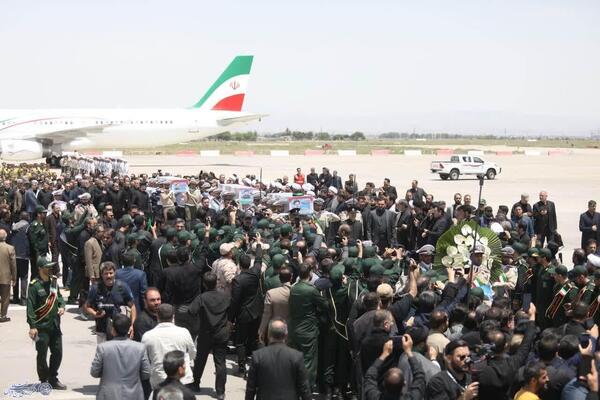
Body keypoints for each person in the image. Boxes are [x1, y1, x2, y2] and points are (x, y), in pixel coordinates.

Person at [26, 257, 67, 389]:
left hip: (55, 325)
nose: (50, 269)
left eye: (50, 267)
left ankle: (53, 377)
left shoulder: (53, 282)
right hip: (41, 327)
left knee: (58, 352)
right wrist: (32, 326)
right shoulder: (34, 286)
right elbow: (30, 307)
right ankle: (44, 379)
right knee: (42, 354)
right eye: (47, 267)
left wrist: (62, 306)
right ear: (40, 268)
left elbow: (59, 297)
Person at [245, 319, 311, 400]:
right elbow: (304, 388)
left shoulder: (258, 356)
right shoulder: (296, 356)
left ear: (268, 335)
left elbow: (251, 388)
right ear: (286, 335)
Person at [188, 271, 230, 397]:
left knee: (200, 360)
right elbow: (231, 309)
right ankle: (220, 392)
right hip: (221, 332)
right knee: (220, 362)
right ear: (216, 282)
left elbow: (191, 311)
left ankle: (195, 384)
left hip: (205, 333)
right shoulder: (225, 296)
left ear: (204, 284)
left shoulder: (201, 298)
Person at [90, 314, 150, 400]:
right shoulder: (140, 348)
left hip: (108, 395)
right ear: (129, 329)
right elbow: (146, 373)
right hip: (134, 395)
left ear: (113, 330)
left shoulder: (103, 348)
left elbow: (94, 372)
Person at [288, 263, 329, 389]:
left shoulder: (293, 288)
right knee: (308, 360)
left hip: (294, 328)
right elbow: (325, 305)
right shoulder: (312, 290)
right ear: (310, 273)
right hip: (308, 330)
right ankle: (306, 388)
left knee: (295, 358)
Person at [229, 235, 264, 375]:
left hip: (244, 314)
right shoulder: (255, 272)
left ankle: (242, 367)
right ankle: (256, 365)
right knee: (254, 339)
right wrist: (259, 243)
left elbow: (235, 301)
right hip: (257, 312)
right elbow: (259, 258)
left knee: (241, 341)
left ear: (239, 265)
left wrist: (230, 319)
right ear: (249, 264)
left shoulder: (238, 280)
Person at [142, 304, 196, 390]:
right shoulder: (184, 332)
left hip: (158, 378)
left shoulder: (147, 336)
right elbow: (192, 353)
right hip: (182, 378)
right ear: (173, 316)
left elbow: (145, 359)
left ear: (157, 316)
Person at [84, 262, 137, 343]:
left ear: (115, 273)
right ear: (101, 275)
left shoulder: (122, 287)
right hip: (101, 330)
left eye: (111, 273)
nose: (108, 276)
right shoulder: (95, 288)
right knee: (103, 350)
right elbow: (87, 306)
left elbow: (132, 306)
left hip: (119, 331)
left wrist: (132, 325)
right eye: (106, 274)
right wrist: (95, 314)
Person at [364, 335, 426, 400]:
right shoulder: (413, 397)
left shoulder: (374, 397)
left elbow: (369, 376)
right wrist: (408, 351)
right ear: (404, 383)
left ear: (383, 383)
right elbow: (420, 376)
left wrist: (384, 354)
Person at [258, 266, 292, 343]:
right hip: (290, 330)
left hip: (274, 330)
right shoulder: (295, 293)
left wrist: (261, 330)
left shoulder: (271, 293)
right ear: (291, 278)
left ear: (279, 278)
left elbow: (267, 314)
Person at [0, 229, 16, 322]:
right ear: (6, 237)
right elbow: (13, 265)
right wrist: (14, 277)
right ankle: (3, 316)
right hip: (5, 277)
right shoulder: (10, 248)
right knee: (5, 298)